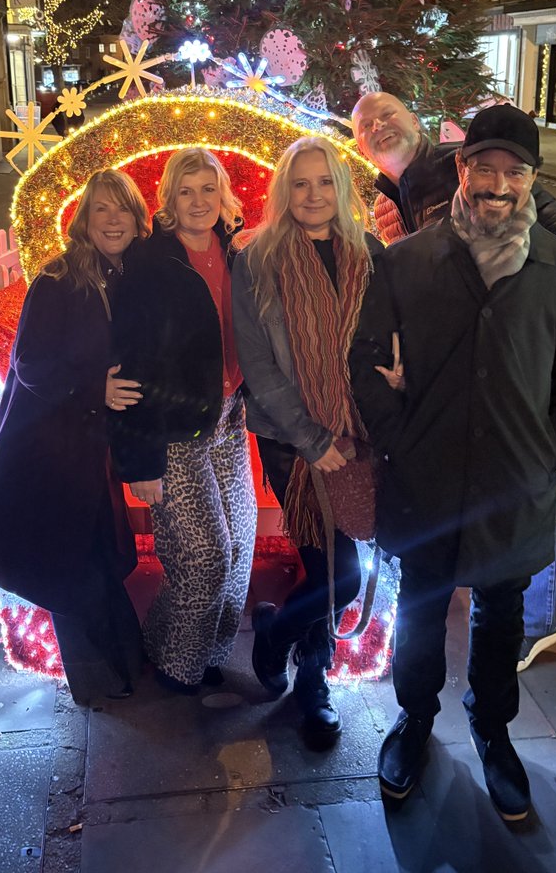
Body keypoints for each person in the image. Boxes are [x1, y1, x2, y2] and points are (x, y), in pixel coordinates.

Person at [350, 104, 556, 821]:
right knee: (421, 612)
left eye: (512, 172)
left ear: (531, 181)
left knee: (497, 618)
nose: (495, 184)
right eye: (482, 168)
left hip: (513, 485)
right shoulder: (405, 263)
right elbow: (363, 362)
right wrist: (398, 437)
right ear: (460, 170)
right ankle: (414, 720)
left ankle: (492, 732)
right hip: (424, 480)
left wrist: (550, 455)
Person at [351, 90, 556, 670]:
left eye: (390, 112)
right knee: (526, 488)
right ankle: (539, 620)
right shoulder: (394, 193)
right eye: (366, 123)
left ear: (418, 120)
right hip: (497, 367)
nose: (381, 125)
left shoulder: (464, 162)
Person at [0, 170, 150, 705]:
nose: (112, 220)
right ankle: (96, 678)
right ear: (83, 220)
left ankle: (124, 661)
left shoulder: (130, 277)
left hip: (93, 445)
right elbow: (32, 363)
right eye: (100, 209)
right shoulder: (58, 281)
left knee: (103, 551)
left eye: (122, 209)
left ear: (138, 219)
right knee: (70, 559)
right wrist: (94, 386)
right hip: (52, 446)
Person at [232, 137, 381, 745]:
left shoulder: (368, 253)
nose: (313, 195)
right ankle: (311, 674)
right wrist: (313, 438)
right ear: (283, 190)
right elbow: (259, 366)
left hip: (359, 434)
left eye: (325, 183)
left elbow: (383, 339)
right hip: (292, 438)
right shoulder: (256, 259)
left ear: (341, 190)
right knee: (336, 569)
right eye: (301, 183)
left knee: (334, 564)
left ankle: (283, 638)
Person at [108, 148, 256, 694]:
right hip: (172, 430)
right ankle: (171, 660)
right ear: (169, 200)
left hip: (229, 417)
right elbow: (132, 364)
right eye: (186, 191)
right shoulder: (151, 264)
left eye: (208, 190)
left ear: (223, 197)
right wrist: (141, 459)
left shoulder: (235, 251)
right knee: (204, 555)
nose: (199, 202)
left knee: (239, 547)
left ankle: (208, 651)